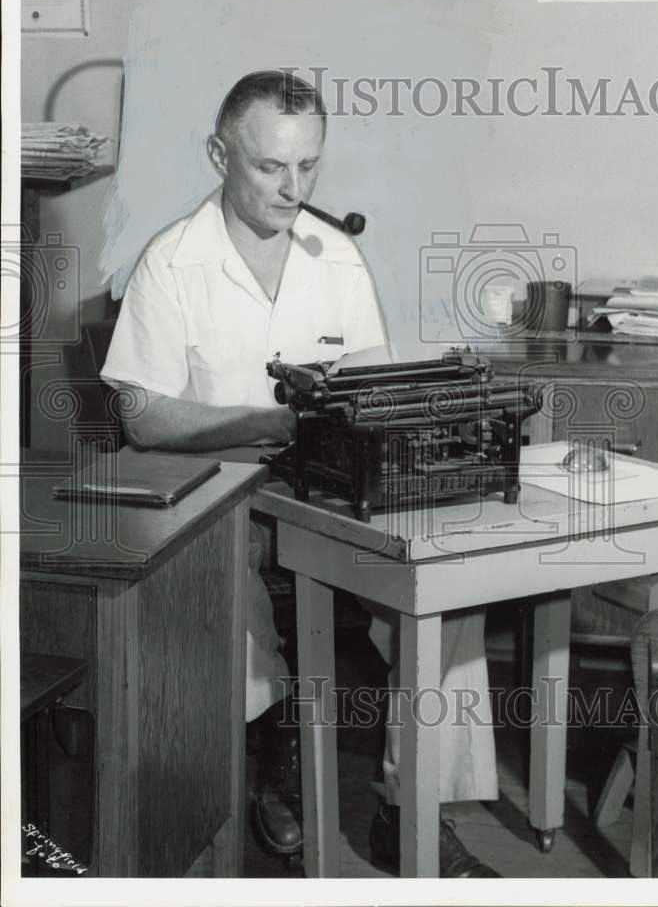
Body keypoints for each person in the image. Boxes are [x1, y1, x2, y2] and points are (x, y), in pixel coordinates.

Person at [101, 71, 501, 878]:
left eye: (308, 167)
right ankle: (275, 757)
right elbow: (140, 415)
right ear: (220, 154)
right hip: (219, 486)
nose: (292, 188)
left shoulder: (336, 256)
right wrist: (265, 422)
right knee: (232, 588)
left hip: (330, 483)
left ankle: (413, 807)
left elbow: (369, 385)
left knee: (446, 587)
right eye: (269, 167)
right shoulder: (171, 263)